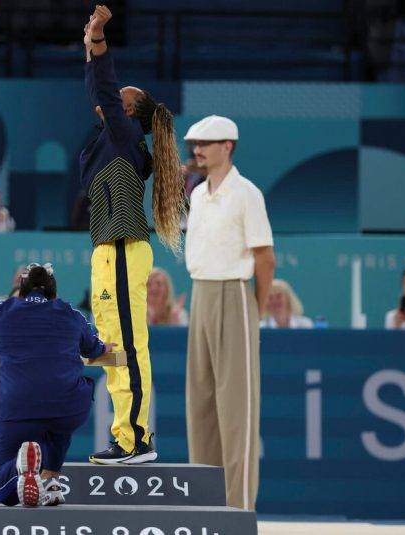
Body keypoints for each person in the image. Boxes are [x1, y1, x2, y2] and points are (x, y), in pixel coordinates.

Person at [81, 5, 186, 464]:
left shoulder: (125, 140)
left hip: (124, 249)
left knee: (130, 344)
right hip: (108, 252)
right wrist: (89, 45)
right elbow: (97, 87)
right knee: (112, 349)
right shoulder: (111, 140)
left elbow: (101, 84)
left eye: (116, 98)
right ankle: (124, 436)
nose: (104, 99)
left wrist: (99, 41)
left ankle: (138, 439)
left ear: (127, 113)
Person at [0, 264, 113, 507]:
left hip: (16, 408)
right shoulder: (66, 312)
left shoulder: (2, 313)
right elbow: (95, 347)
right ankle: (40, 471)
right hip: (43, 406)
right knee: (65, 398)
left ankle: (33, 472)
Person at [183, 114, 276, 511]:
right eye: (195, 144)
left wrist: (256, 307)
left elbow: (265, 257)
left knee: (237, 410)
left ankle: (238, 510)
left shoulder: (247, 193)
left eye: (208, 142)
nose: (198, 150)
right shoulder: (198, 195)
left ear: (228, 147)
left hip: (235, 293)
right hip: (201, 291)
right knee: (200, 405)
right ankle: (206, 506)